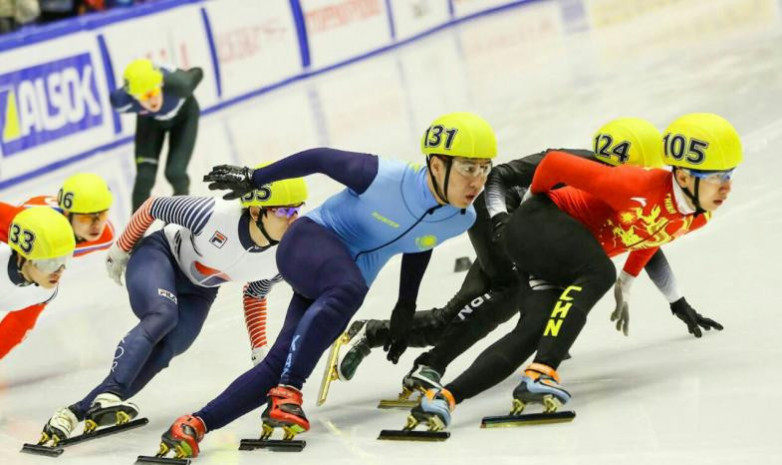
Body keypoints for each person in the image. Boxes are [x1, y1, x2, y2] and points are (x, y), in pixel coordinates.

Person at [154, 112, 497, 459]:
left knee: (279, 364)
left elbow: (420, 243)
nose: (478, 181)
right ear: (437, 165)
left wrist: (404, 308)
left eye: (484, 169)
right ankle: (289, 391)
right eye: (469, 168)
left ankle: (194, 425)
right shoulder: (386, 177)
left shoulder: (460, 217)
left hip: (340, 286)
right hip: (309, 244)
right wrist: (254, 177)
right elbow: (319, 157)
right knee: (341, 300)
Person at [325, 118, 722, 402]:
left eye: (630, 169)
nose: (617, 176)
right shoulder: (584, 165)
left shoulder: (634, 192)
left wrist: (675, 300)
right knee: (507, 295)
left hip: (534, 230)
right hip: (507, 213)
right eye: (611, 166)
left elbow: (650, 233)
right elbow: (497, 177)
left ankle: (377, 335)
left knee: (460, 313)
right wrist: (502, 220)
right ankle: (432, 364)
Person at [410, 113, 742, 430]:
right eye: (716, 178)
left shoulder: (697, 216)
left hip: (557, 255)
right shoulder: (635, 182)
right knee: (599, 272)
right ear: (683, 177)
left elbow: (651, 235)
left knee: (532, 332)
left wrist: (639, 286)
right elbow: (554, 163)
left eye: (729, 176)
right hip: (540, 223)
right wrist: (526, 207)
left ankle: (443, 398)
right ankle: (541, 373)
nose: (725, 188)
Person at [37, 175, 307, 446]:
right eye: (284, 210)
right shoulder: (212, 213)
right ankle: (109, 395)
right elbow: (153, 206)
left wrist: (259, 348)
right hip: (158, 255)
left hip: (200, 290)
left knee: (168, 349)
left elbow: (255, 294)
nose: (293, 219)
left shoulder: (282, 258)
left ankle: (73, 413)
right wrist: (120, 250)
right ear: (256, 210)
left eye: (297, 209)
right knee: (163, 315)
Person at [0, 173, 114, 359]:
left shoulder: (104, 236)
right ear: (68, 213)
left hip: (39, 257)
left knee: (33, 307)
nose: (96, 225)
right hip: (24, 229)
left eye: (102, 214)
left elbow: (21, 322)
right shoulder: (25, 221)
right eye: (86, 218)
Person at [110, 58, 203, 211]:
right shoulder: (121, 102)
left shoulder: (180, 86)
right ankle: (135, 234)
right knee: (144, 178)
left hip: (184, 116)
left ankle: (178, 220)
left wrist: (179, 72)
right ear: (134, 97)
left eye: (153, 92)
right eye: (145, 97)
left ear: (161, 85)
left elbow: (198, 71)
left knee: (175, 173)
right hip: (150, 121)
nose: (152, 100)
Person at [1, 208, 75, 327]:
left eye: (65, 259)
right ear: (21, 257)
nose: (59, 271)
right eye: (48, 263)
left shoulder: (47, 291)